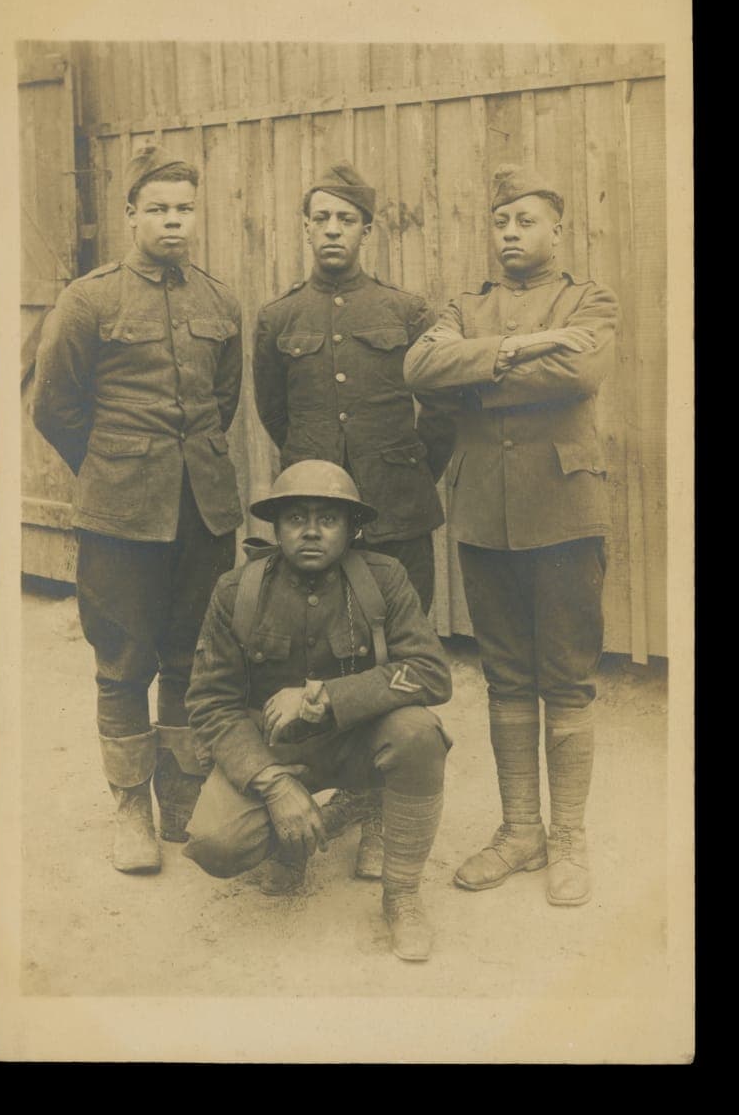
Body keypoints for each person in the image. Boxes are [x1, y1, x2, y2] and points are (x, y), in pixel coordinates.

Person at [403, 164, 619, 907]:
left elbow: (580, 373)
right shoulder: (467, 305)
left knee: (564, 673)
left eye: (525, 221)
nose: (510, 235)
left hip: (563, 510)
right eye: (500, 223)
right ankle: (520, 830)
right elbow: (420, 366)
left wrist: (476, 372)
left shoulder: (590, 299)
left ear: (557, 230)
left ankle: (568, 840)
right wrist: (517, 348)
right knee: (505, 675)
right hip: (485, 516)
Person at [32, 144, 244, 875]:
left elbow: (224, 403)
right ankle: (131, 807)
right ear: (130, 216)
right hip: (120, 516)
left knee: (194, 655)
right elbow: (55, 407)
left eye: (184, 208)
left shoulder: (219, 300)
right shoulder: (89, 299)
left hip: (203, 512)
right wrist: (110, 469)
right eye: (158, 209)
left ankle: (180, 792)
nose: (173, 221)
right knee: (124, 659)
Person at [253, 160, 456, 878]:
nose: (332, 231)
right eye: (321, 218)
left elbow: (443, 407)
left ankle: (378, 816)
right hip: (319, 518)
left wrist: (407, 472)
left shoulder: (407, 312)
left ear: (367, 230)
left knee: (394, 665)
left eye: (347, 219)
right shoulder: (280, 317)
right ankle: (317, 795)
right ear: (306, 227)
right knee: (322, 656)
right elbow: (273, 413)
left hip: (396, 513)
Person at [182, 461, 453, 961]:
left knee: (418, 733)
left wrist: (330, 696)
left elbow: (431, 672)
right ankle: (292, 844)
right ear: (276, 526)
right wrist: (273, 783)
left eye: (327, 519)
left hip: (355, 740)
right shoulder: (237, 590)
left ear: (352, 529)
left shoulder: (383, 579)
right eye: (296, 518)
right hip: (274, 750)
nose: (310, 531)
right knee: (216, 842)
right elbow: (210, 701)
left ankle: (403, 896)